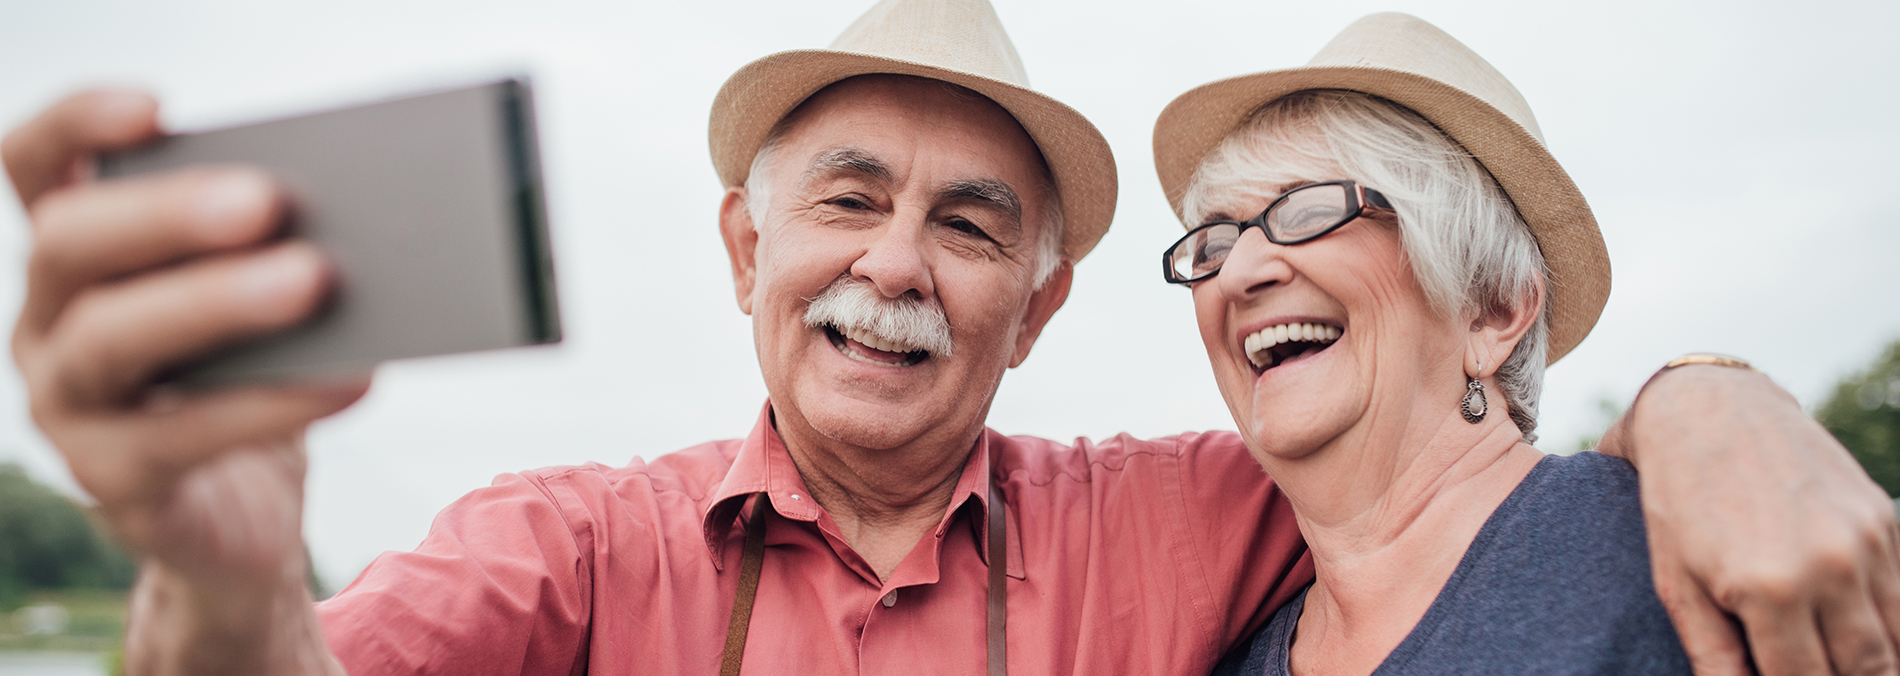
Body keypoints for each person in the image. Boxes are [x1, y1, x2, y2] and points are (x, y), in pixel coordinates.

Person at [2, 0, 1894, 674]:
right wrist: (214, 580)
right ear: (746, 244)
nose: (895, 262)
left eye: (971, 222)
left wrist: (1704, 401)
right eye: (845, 198)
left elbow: (1478, 483)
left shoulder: (1213, 517)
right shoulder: (574, 544)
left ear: (1040, 305)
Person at [1149, 13, 1893, 676]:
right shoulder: (1234, 660)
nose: (1240, 270)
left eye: (1309, 208)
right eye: (1214, 239)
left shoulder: (1700, 552)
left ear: (1492, 308)